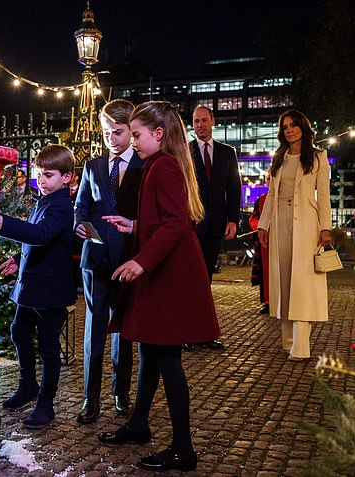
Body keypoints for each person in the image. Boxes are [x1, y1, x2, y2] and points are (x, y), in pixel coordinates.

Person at [99, 101, 220, 472]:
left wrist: (140, 260)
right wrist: (134, 226)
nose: (132, 140)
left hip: (167, 275)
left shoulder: (164, 166)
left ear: (159, 134)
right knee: (152, 354)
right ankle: (139, 424)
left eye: (136, 134)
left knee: (167, 360)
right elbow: (164, 220)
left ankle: (183, 449)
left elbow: (175, 224)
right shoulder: (160, 165)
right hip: (165, 271)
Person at [0, 144, 77, 428]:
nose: (41, 180)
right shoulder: (45, 200)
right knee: (19, 330)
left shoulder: (63, 206)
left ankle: (46, 403)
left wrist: (2, 222)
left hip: (50, 289)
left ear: (67, 177)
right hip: (33, 284)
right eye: (39, 174)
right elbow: (44, 240)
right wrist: (20, 257)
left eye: (49, 175)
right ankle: (27, 385)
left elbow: (42, 234)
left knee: (48, 347)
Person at [74, 99, 143, 424]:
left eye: (117, 132)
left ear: (132, 131)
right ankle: (90, 398)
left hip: (129, 260)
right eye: (105, 133)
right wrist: (82, 226)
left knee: (124, 330)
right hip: (96, 259)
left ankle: (121, 392)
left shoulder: (145, 167)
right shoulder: (93, 166)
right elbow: (81, 208)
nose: (111, 139)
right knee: (94, 329)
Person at [257, 110, 332, 362]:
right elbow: (271, 195)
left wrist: (325, 227)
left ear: (303, 127)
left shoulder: (319, 157)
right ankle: (287, 341)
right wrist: (263, 225)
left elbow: (323, 195)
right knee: (284, 280)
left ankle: (301, 346)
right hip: (280, 223)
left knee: (302, 284)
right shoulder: (279, 158)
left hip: (308, 226)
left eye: (293, 125)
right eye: (285, 126)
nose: (289, 130)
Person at [187, 105, 241, 350]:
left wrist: (233, 219)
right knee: (190, 280)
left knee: (206, 280)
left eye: (204, 120)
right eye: (196, 121)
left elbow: (233, 188)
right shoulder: (185, 152)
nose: (200, 125)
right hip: (191, 225)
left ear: (213, 122)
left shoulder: (227, 153)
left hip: (217, 225)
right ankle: (186, 333)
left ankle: (204, 333)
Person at [249, 172, 270, 314]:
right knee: (266, 272)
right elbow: (253, 219)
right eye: (268, 178)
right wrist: (261, 227)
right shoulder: (261, 200)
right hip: (266, 243)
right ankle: (268, 302)